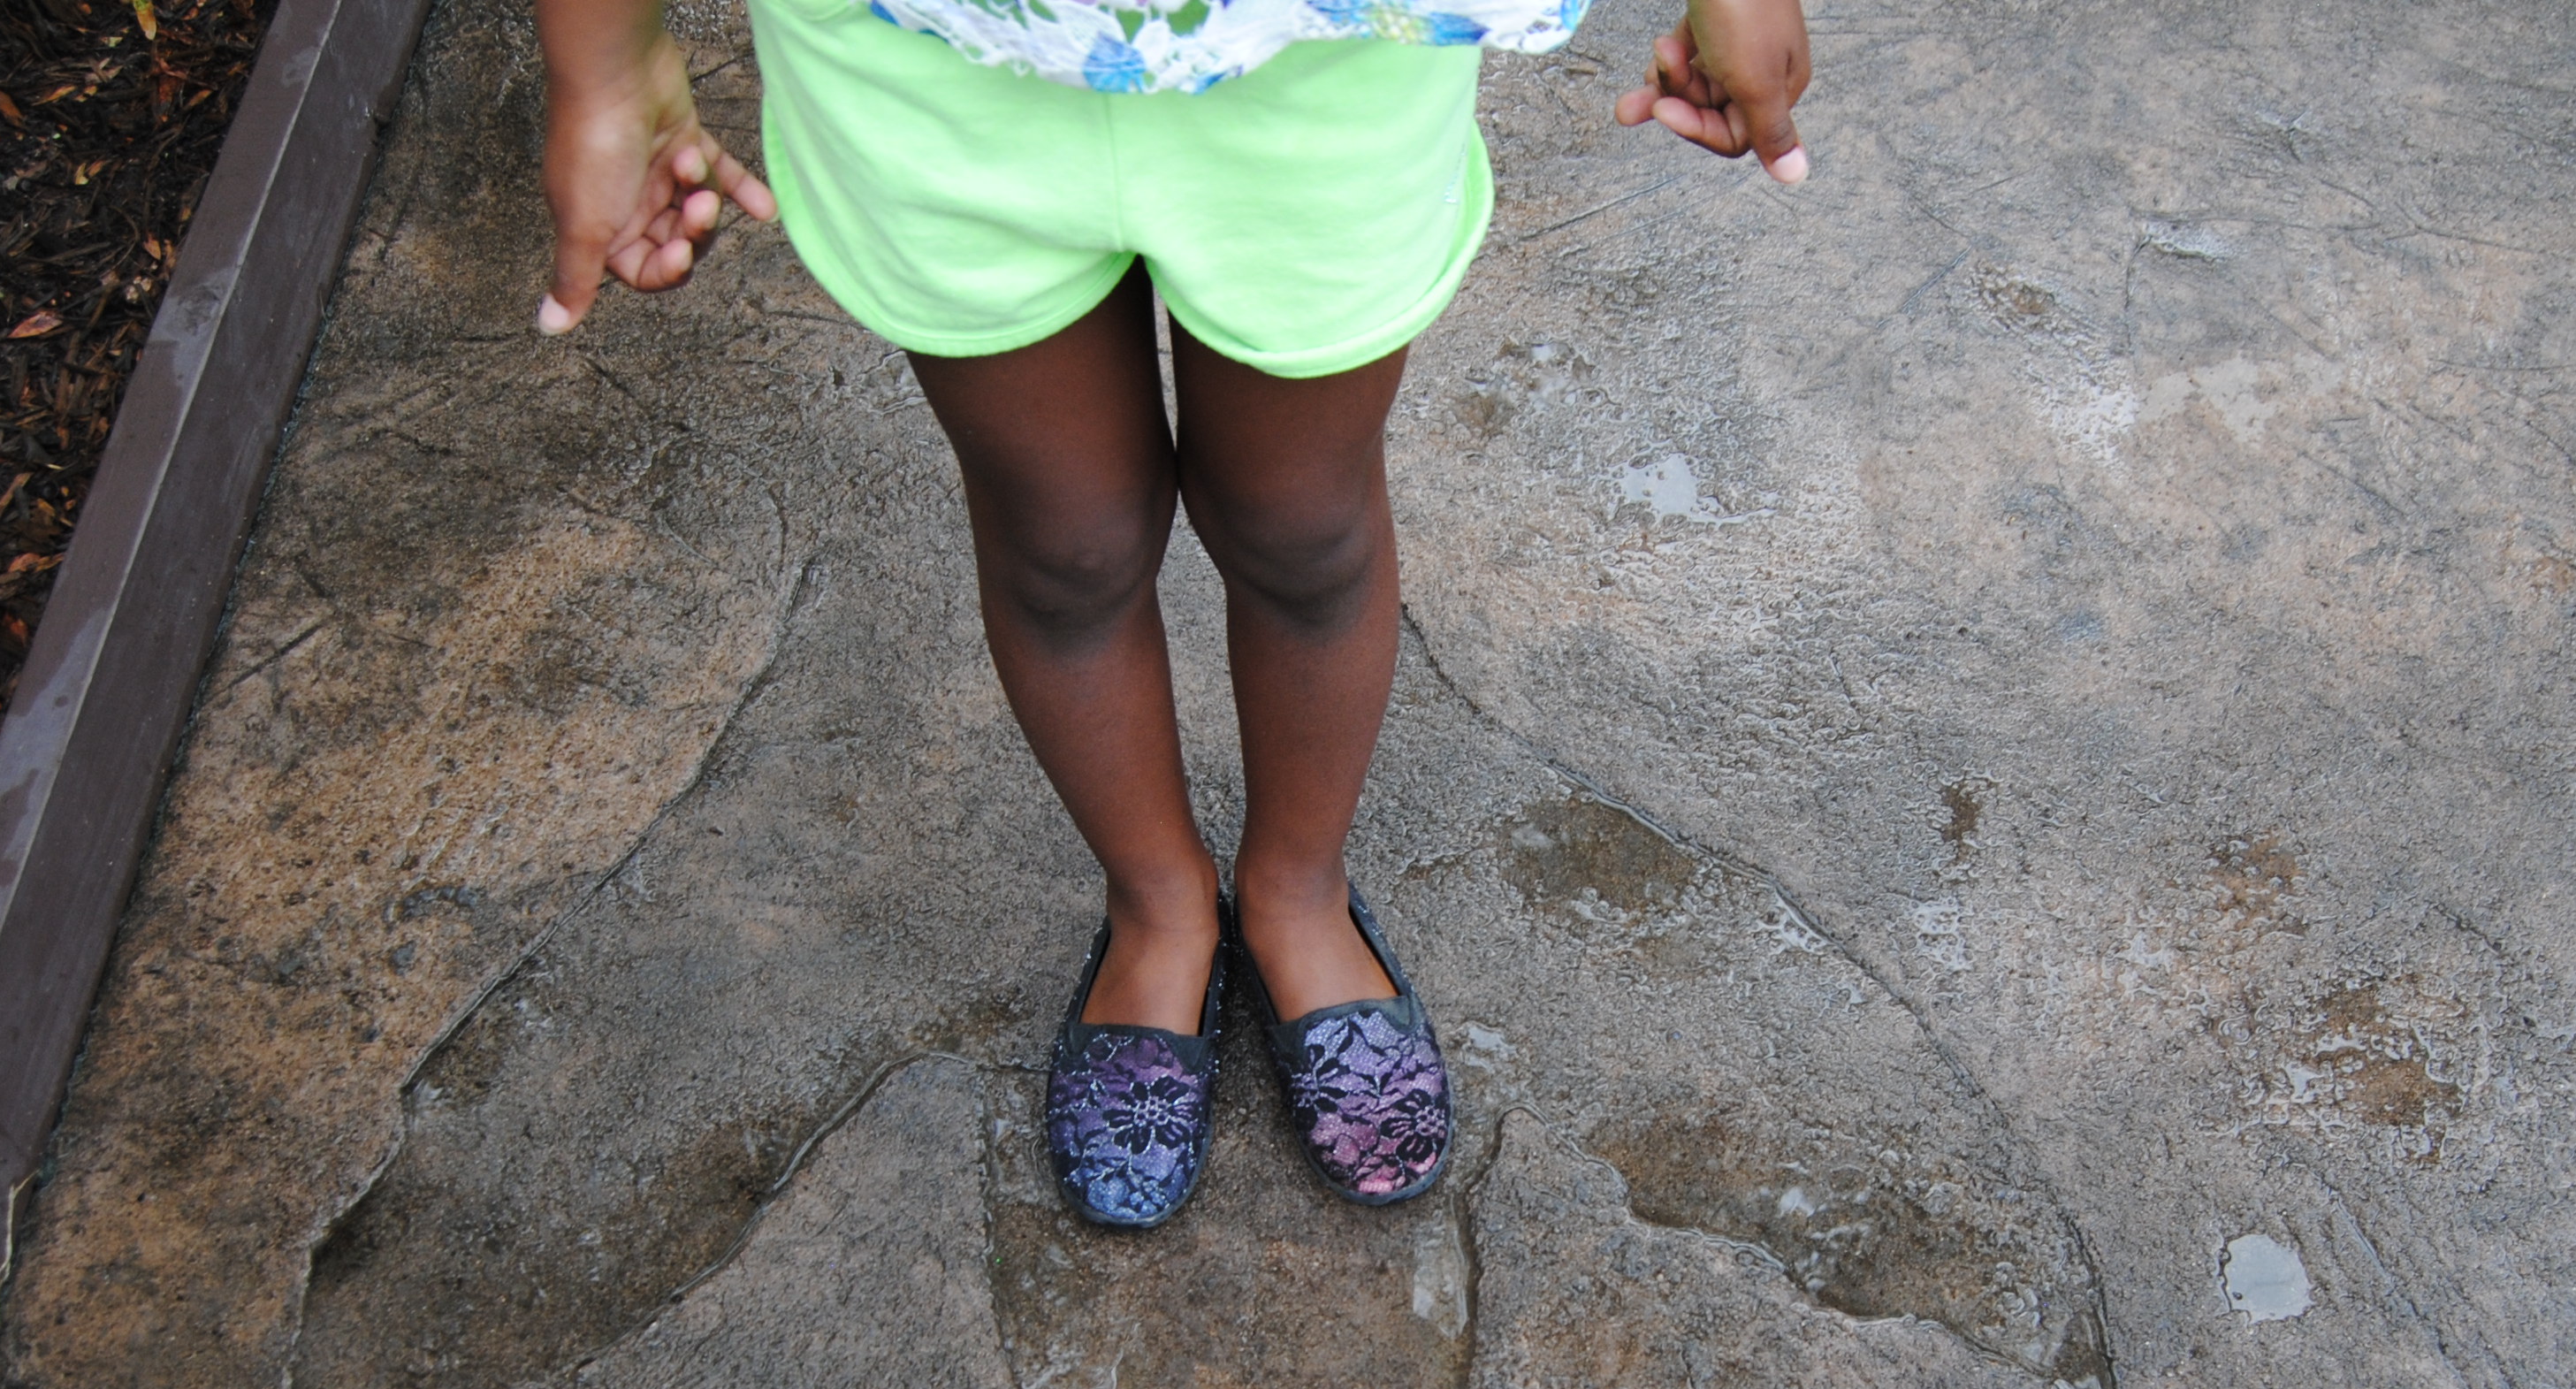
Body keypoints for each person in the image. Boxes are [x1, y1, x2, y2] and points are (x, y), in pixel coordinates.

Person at [531, 0, 1810, 1224]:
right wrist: (602, 60)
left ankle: (1297, 890)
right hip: (930, 64)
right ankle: (1158, 902)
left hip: (1323, 54)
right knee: (1064, 549)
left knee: (1302, 530)